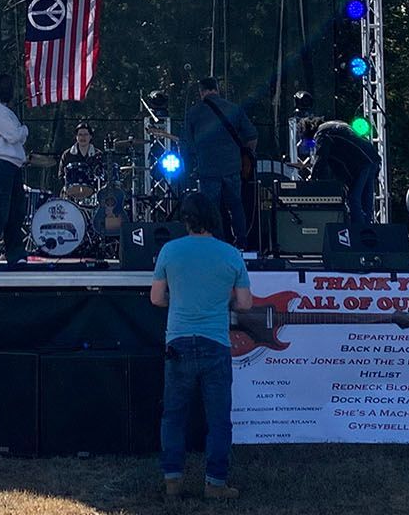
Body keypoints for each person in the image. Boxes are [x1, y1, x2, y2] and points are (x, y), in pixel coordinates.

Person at [149, 191, 252, 501]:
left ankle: (173, 481)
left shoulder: (170, 250)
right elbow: (245, 303)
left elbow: (156, 298)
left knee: (174, 415)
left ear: (186, 219)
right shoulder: (230, 254)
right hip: (215, 342)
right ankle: (215, 483)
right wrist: (223, 300)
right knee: (218, 419)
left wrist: (179, 299)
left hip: (178, 342)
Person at [182, 78, 257, 247]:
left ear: (201, 92)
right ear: (217, 89)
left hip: (208, 168)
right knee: (236, 206)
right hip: (232, 167)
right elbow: (252, 136)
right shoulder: (234, 109)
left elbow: (187, 144)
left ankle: (217, 243)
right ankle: (242, 242)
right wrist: (247, 155)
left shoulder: (193, 112)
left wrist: (190, 168)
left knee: (211, 209)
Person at [0, 73, 29, 264]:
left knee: (15, 212)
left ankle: (15, 252)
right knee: (0, 212)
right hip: (1, 164)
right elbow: (14, 135)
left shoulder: (4, 111)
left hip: (12, 165)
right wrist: (24, 129)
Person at [309, 117, 382, 227]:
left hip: (360, 162)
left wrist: (313, 180)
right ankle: (368, 230)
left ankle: (358, 230)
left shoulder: (322, 132)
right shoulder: (338, 124)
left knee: (354, 199)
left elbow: (321, 158)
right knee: (366, 200)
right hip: (372, 157)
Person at [59, 122, 103, 198]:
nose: (83, 137)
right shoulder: (67, 155)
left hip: (93, 195)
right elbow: (61, 175)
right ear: (76, 137)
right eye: (80, 135)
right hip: (70, 194)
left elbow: (102, 175)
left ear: (90, 136)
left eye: (86, 134)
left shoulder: (98, 154)